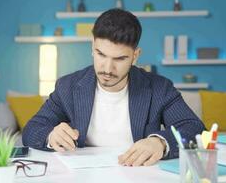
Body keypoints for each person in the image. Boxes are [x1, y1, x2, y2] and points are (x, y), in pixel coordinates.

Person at [22, 8, 205, 166]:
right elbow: (32, 129)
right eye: (101, 55)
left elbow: (194, 129)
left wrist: (161, 143)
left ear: (135, 55)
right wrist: (50, 136)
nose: (107, 69)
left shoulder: (159, 88)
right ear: (93, 46)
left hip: (139, 175)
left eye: (119, 59)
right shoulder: (68, 86)